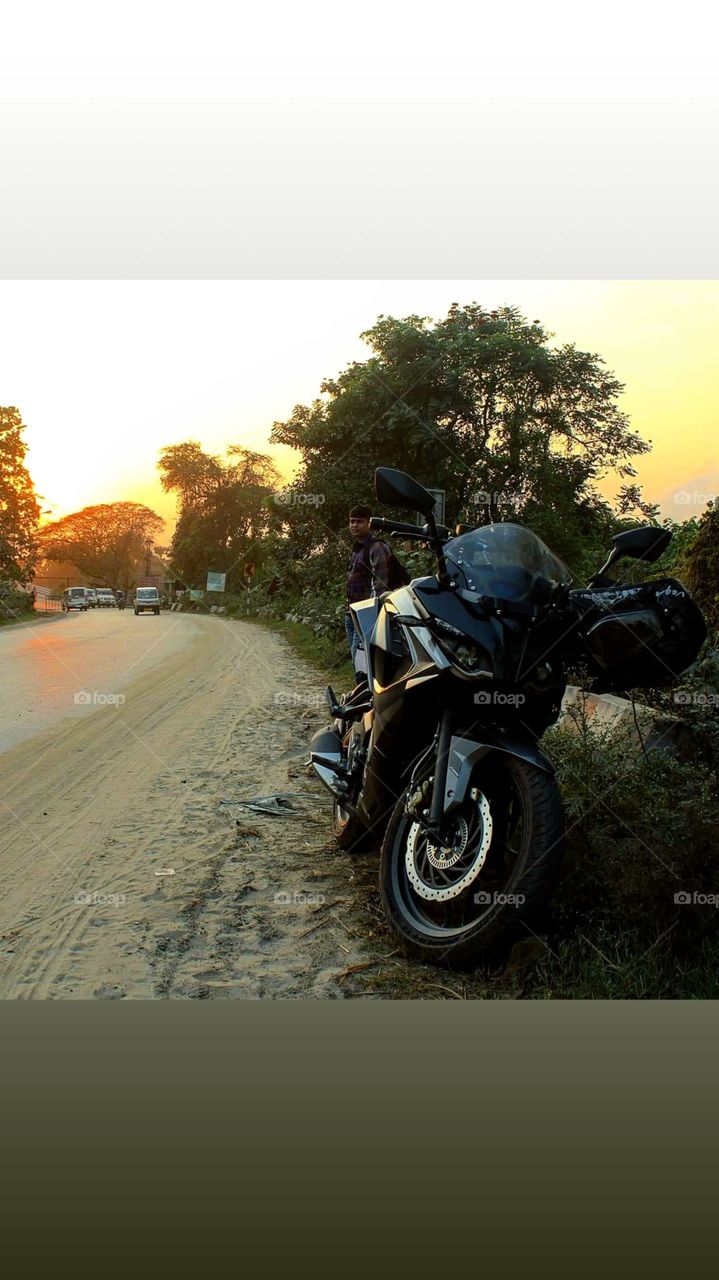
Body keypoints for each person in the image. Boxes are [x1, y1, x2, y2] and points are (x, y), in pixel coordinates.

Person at [345, 504, 391, 677]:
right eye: (352, 521)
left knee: (362, 662)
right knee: (357, 660)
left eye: (359, 522)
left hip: (366, 615)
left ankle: (368, 699)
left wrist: (373, 614)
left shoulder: (377, 547)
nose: (354, 525)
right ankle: (364, 696)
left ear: (369, 523)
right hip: (351, 612)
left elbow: (381, 585)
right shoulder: (356, 547)